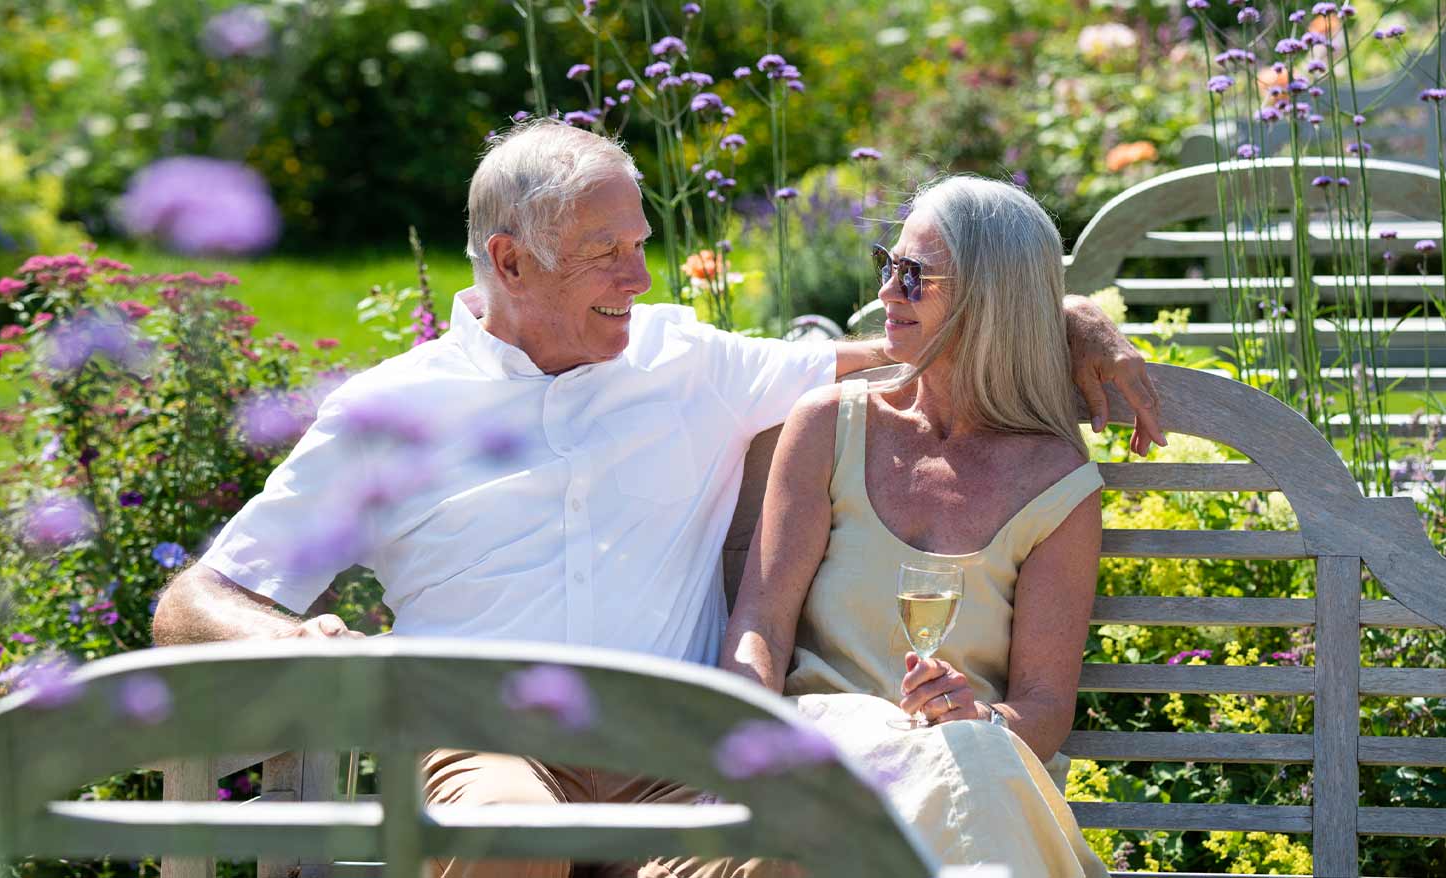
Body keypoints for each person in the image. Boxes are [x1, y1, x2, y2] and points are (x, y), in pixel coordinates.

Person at [152, 121, 1157, 878]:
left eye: (642, 242)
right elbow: (192, 601)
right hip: (487, 743)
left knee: (812, 847)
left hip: (674, 750)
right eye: (608, 254)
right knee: (507, 833)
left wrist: (1058, 312)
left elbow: (923, 347)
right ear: (508, 260)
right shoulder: (389, 414)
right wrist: (290, 646)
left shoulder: (686, 357)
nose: (644, 276)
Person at [721, 175, 1111, 877]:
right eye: (888, 266)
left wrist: (979, 718)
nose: (884, 295)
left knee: (974, 761)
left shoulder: (1057, 484)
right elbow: (763, 623)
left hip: (969, 766)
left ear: (987, 301)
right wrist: (746, 730)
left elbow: (1045, 707)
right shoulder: (830, 426)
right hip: (823, 756)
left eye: (914, 276)